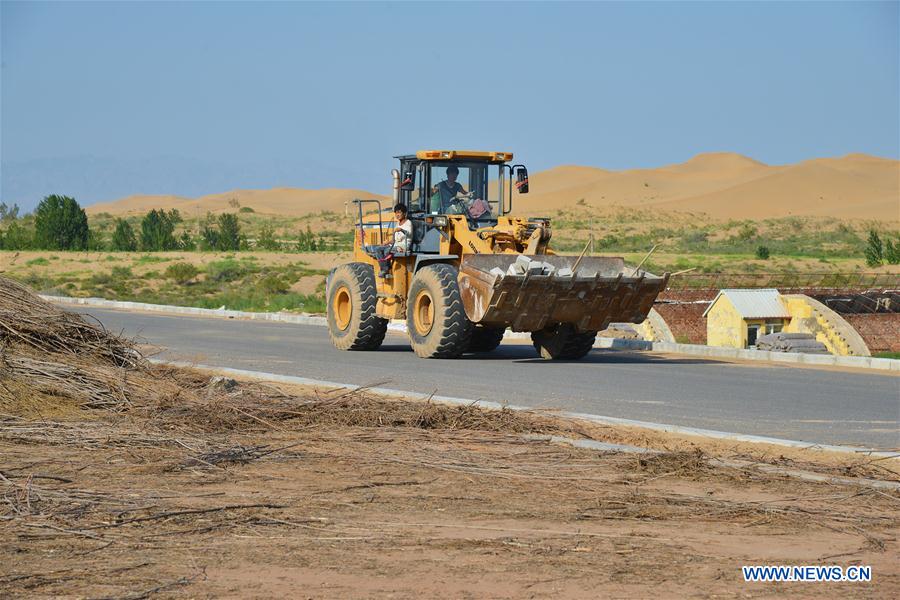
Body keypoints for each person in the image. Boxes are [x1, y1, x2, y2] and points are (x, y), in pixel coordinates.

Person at [373, 203, 413, 277]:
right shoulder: (398, 224)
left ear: (404, 213)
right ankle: (384, 268)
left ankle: (385, 270)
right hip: (395, 244)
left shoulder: (408, 223)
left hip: (403, 246)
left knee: (387, 251)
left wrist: (402, 229)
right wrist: (387, 242)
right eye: (396, 213)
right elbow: (394, 240)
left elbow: (409, 233)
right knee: (378, 249)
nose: (397, 215)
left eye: (399, 212)